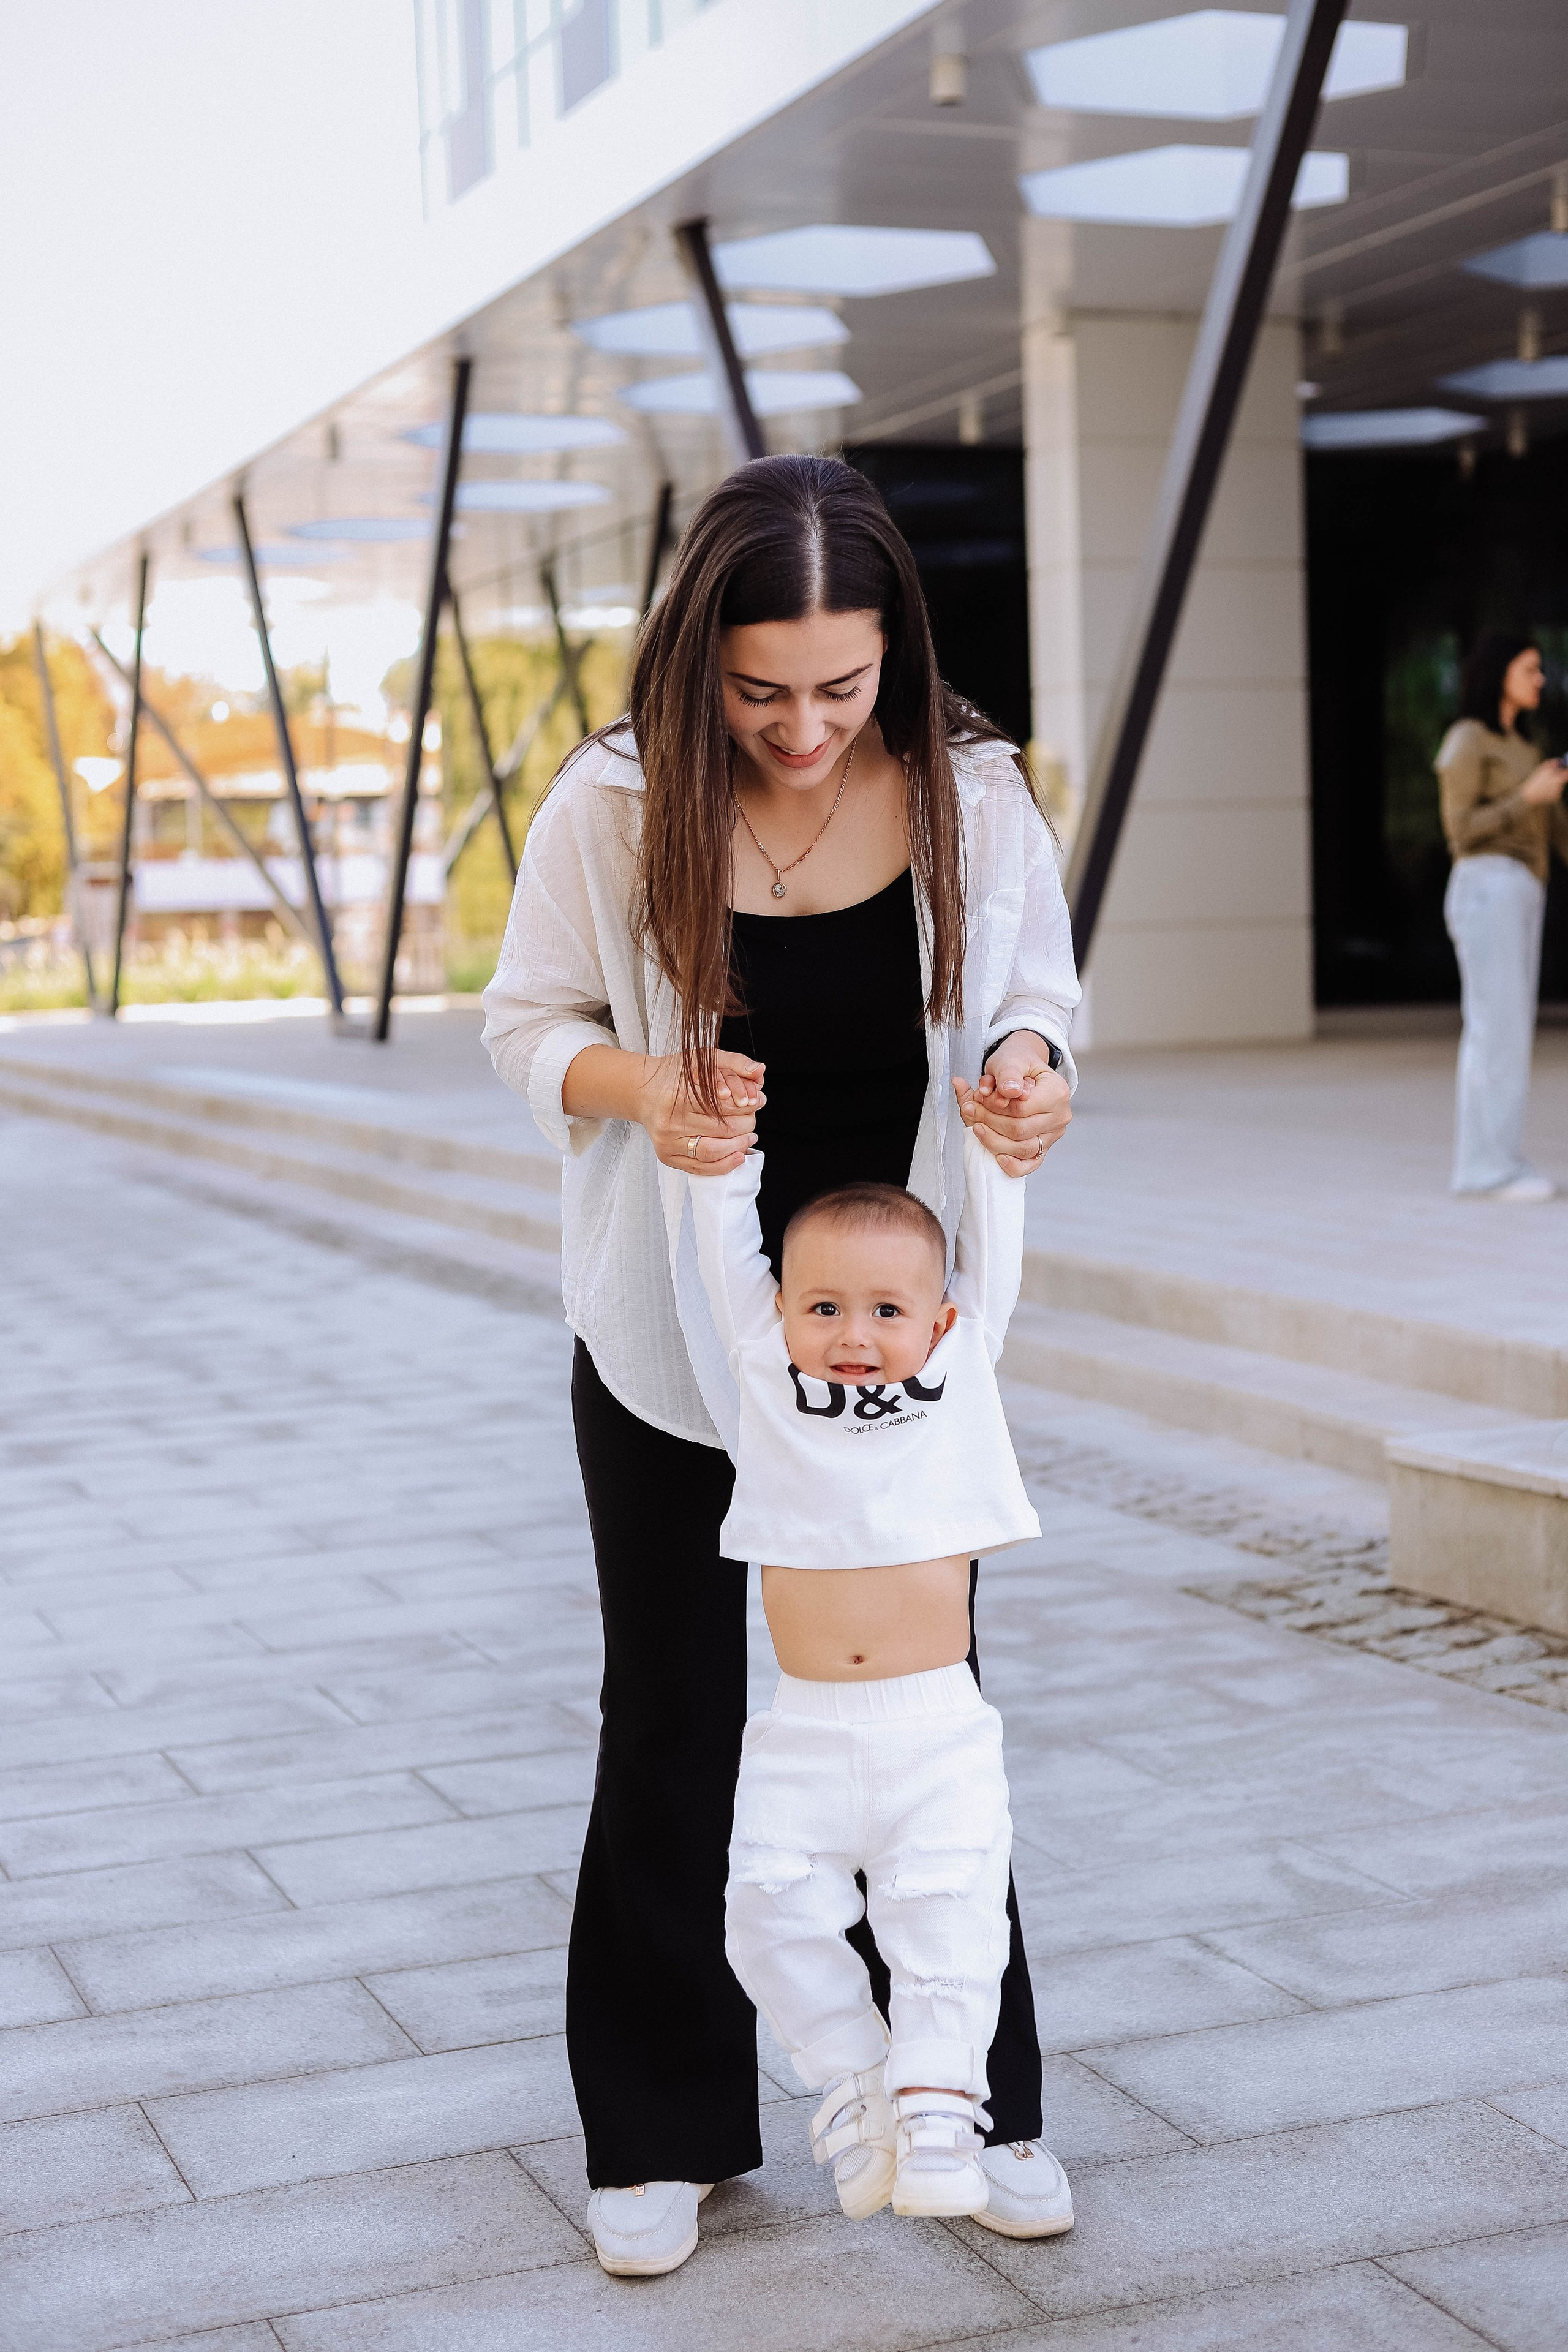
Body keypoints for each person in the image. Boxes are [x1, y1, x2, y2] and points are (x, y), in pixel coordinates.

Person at [481, 453, 1079, 2277]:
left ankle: (969, 2098)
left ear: (895, 649)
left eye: (840, 685)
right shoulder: (615, 802)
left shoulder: (973, 790)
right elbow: (526, 1024)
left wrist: (1033, 1071)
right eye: (760, 691)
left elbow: (1038, 997)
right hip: (680, 1329)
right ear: (696, 661)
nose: (805, 728)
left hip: (899, 1338)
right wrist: (643, 1085)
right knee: (676, 1707)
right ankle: (660, 2127)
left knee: (923, 1710)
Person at [672, 1117, 1071, 2238]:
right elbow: (727, 1260)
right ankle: (860, 2079)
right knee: (764, 1915)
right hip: (802, 1732)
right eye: (825, 1308)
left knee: (947, 1925)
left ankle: (942, 2116)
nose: (854, 1334)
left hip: (934, 1732)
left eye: (888, 1312)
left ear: (937, 1323)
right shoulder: (766, 1377)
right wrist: (722, 1165)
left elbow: (993, 1252)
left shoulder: (961, 1373)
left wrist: (992, 1153)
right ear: (785, 1313)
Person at [1437, 630, 1568, 1201]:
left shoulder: (1523, 747)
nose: (1540, 679)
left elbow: (1556, 832)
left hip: (1522, 892)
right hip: (1487, 886)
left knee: (1507, 1033)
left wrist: (1542, 795)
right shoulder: (1468, 740)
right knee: (1496, 1032)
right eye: (1529, 669)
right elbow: (1460, 830)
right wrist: (1527, 798)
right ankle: (1487, 1170)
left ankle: (1493, 1163)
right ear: (1499, 674)